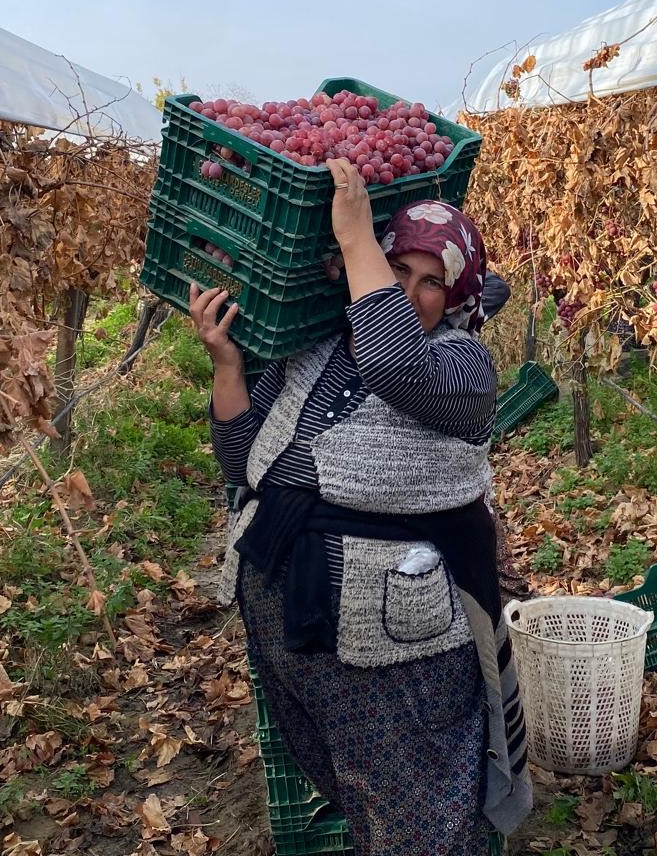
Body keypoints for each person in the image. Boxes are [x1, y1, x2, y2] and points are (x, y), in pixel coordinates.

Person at [190, 158, 532, 854]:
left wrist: (357, 242)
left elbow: (393, 363)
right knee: (358, 785)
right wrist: (227, 365)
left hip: (388, 635)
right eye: (395, 270)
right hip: (288, 608)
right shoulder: (318, 348)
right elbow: (244, 461)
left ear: (458, 292)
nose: (408, 292)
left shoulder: (463, 367)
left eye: (430, 279)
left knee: (422, 801)